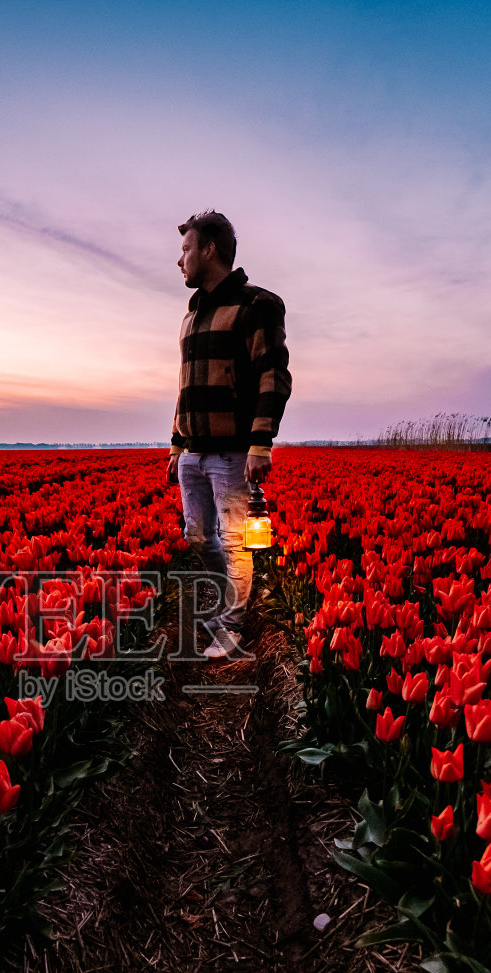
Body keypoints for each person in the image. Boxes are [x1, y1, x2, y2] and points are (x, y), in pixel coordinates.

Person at [167, 210, 291, 660]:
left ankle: (233, 625)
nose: (179, 261)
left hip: (232, 451)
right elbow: (186, 384)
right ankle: (229, 602)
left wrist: (261, 442)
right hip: (193, 453)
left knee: (237, 539)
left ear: (209, 250)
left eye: (185, 250)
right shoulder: (193, 313)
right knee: (198, 537)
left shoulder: (258, 304)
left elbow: (272, 375)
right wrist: (177, 442)